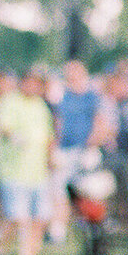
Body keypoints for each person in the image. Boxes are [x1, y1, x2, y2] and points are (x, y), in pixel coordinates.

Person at [0, 64, 55, 255]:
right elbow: (4, 126)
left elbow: (48, 136)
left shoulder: (41, 107)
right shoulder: (10, 101)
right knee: (16, 218)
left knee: (39, 219)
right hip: (14, 172)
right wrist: (14, 137)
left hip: (37, 173)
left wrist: (51, 159)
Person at [49, 61, 102, 243]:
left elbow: (98, 122)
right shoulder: (62, 95)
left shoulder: (91, 96)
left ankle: (91, 225)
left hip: (84, 150)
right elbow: (58, 122)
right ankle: (58, 231)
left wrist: (91, 144)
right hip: (65, 149)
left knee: (87, 190)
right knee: (58, 189)